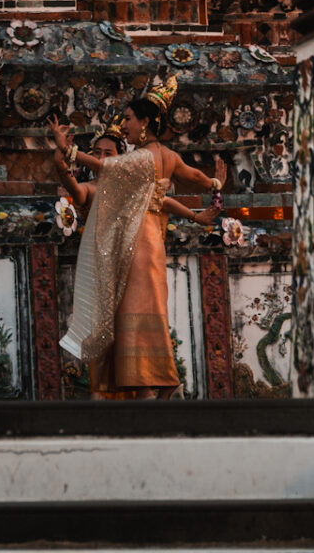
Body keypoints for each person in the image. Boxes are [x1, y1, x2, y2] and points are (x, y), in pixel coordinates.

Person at [55, 81, 226, 399]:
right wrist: (214, 184)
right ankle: (153, 384)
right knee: (144, 311)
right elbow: (193, 177)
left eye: (129, 118)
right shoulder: (168, 156)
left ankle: (157, 382)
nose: (124, 125)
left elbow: (104, 166)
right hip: (147, 241)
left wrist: (70, 151)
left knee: (134, 310)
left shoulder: (144, 158)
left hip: (139, 243)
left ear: (145, 122)